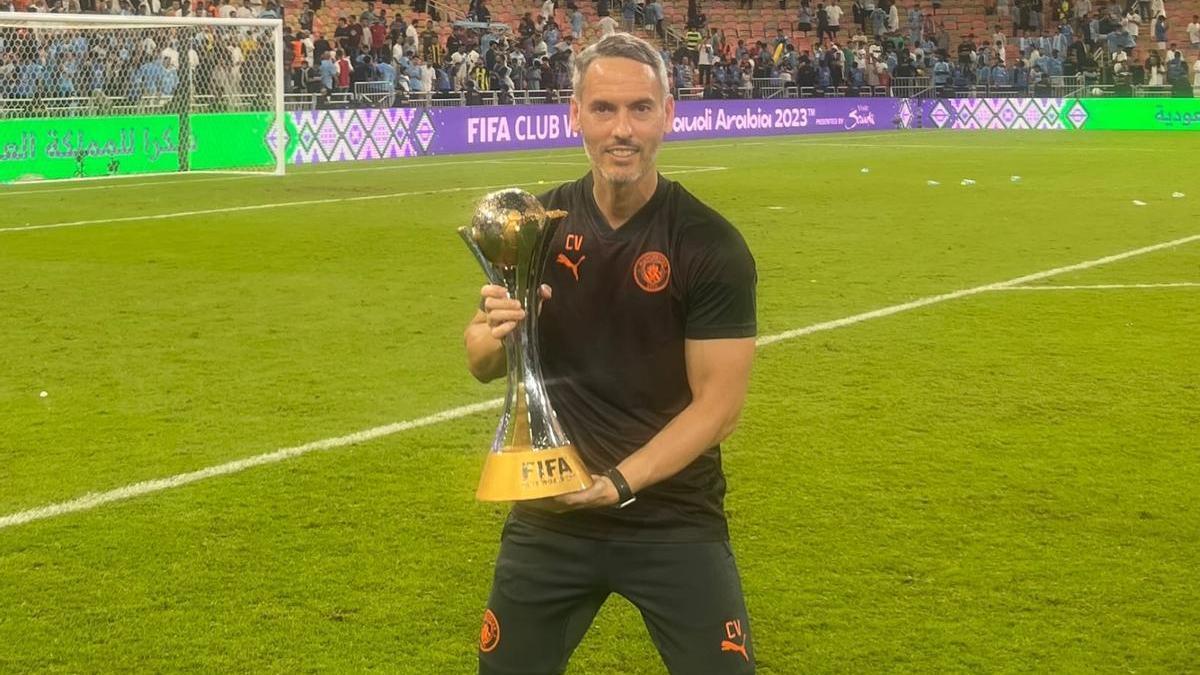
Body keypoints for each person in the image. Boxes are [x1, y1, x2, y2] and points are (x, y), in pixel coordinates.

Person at [466, 31, 758, 675]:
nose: (621, 129)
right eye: (603, 109)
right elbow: (483, 360)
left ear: (668, 115)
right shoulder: (537, 223)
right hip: (551, 517)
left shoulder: (710, 245)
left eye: (639, 109)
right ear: (575, 115)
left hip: (672, 519)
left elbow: (718, 409)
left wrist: (618, 484)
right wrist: (497, 329)